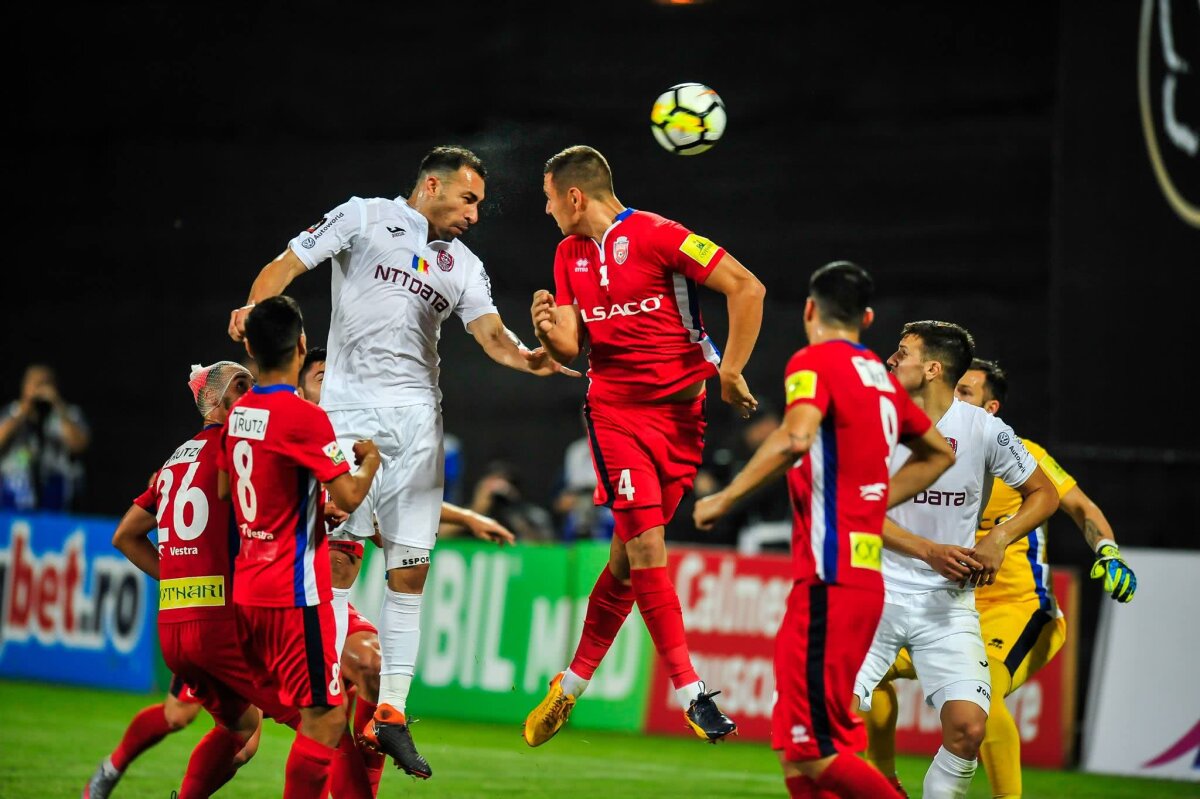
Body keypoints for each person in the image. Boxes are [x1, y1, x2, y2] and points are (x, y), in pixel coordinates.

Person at [226, 145, 577, 777]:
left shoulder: (465, 266)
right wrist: (254, 308)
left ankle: (390, 712)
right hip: (349, 416)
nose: (474, 214)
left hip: (420, 424)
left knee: (408, 574)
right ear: (432, 185)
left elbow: (493, 336)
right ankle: (325, 686)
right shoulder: (363, 217)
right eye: (467, 199)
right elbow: (286, 264)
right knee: (336, 559)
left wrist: (534, 357)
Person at [523, 144, 765, 747]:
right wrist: (549, 334)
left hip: (683, 421)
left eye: (549, 197)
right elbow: (571, 349)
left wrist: (731, 370)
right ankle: (692, 692)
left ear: (574, 196)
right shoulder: (567, 254)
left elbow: (747, 288)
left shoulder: (661, 236)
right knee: (649, 543)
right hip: (615, 416)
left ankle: (570, 686)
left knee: (625, 563)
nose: (547, 208)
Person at [692, 261, 956, 798]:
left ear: (810, 310)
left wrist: (726, 496)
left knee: (813, 753)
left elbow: (795, 437)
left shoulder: (814, 362)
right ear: (867, 317)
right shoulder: (882, 380)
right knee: (798, 750)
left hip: (831, 581)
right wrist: (875, 497)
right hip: (854, 580)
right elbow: (936, 453)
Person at [863, 358, 1139, 798]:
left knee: (981, 696)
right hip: (941, 609)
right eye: (952, 390)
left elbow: (1082, 509)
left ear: (990, 408)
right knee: (861, 673)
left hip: (1016, 609)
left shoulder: (1023, 456)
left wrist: (1107, 550)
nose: (953, 399)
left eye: (966, 393)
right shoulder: (918, 449)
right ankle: (883, 783)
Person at [851, 321, 1060, 799]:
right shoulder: (873, 418)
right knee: (834, 715)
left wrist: (1000, 538)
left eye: (902, 353)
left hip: (948, 606)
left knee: (968, 728)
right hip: (874, 592)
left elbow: (1043, 494)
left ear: (932, 368)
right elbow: (856, 512)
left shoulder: (985, 430)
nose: (891, 360)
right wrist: (928, 551)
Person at [295, 345, 515, 796]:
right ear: (300, 387)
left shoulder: (355, 451)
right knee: (243, 734)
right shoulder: (292, 433)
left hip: (328, 600)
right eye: (320, 376)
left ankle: (381, 736)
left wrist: (469, 518)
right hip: (278, 603)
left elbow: (400, 508)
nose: (333, 383)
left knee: (373, 667)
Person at [90, 359, 302, 799]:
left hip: (176, 626)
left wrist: (179, 580)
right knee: (321, 717)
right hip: (222, 626)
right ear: (222, 399)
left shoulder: (174, 461)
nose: (254, 394)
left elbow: (125, 535)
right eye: (244, 386)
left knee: (242, 730)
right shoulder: (238, 447)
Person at [223, 295, 382, 799]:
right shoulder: (305, 417)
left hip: (247, 592)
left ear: (249, 346)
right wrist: (370, 462)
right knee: (327, 719)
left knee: (259, 719)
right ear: (303, 346)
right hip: (295, 597)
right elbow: (351, 494)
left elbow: (230, 491)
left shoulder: (240, 412)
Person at [1, 363, 90, 511]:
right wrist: (23, 410)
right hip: (12, 497)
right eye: (34, 382)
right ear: (24, 385)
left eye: (44, 382)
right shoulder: (12, 412)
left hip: (57, 499)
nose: (39, 388)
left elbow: (79, 445)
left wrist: (58, 406)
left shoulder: (68, 414)